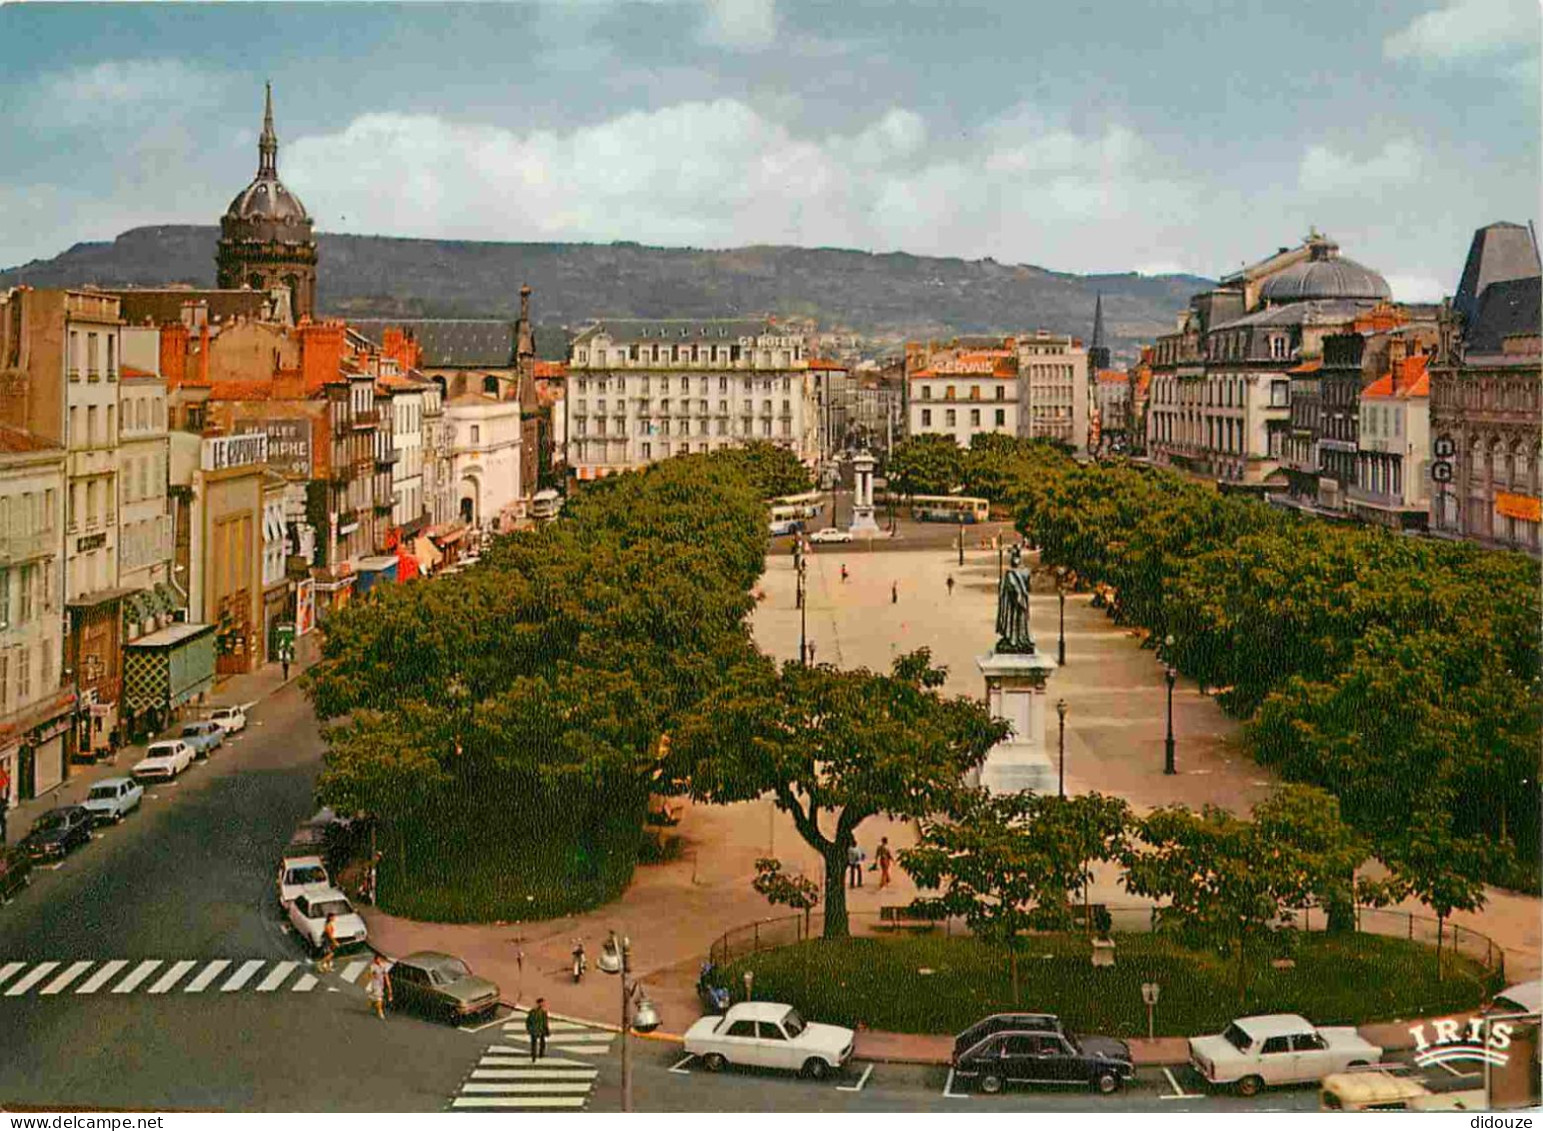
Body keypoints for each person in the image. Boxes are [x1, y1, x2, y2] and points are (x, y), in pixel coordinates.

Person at [365, 953, 392, 1020]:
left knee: (376, 997)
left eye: (381, 959)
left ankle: (372, 1001)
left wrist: (389, 986)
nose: (380, 960)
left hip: (381, 984)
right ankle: (380, 1011)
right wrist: (373, 975)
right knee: (379, 997)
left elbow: (386, 976)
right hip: (375, 984)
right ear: (376, 959)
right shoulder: (373, 966)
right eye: (378, 959)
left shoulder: (383, 966)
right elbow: (369, 975)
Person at [527, 997, 551, 1062]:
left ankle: (540, 1054)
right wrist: (529, 1029)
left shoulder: (543, 1012)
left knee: (541, 1043)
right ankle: (534, 1056)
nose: (543, 1004)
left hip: (540, 1029)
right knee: (535, 1044)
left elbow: (545, 1022)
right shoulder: (533, 1012)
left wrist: (547, 1030)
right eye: (542, 1003)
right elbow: (529, 1021)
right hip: (536, 1029)